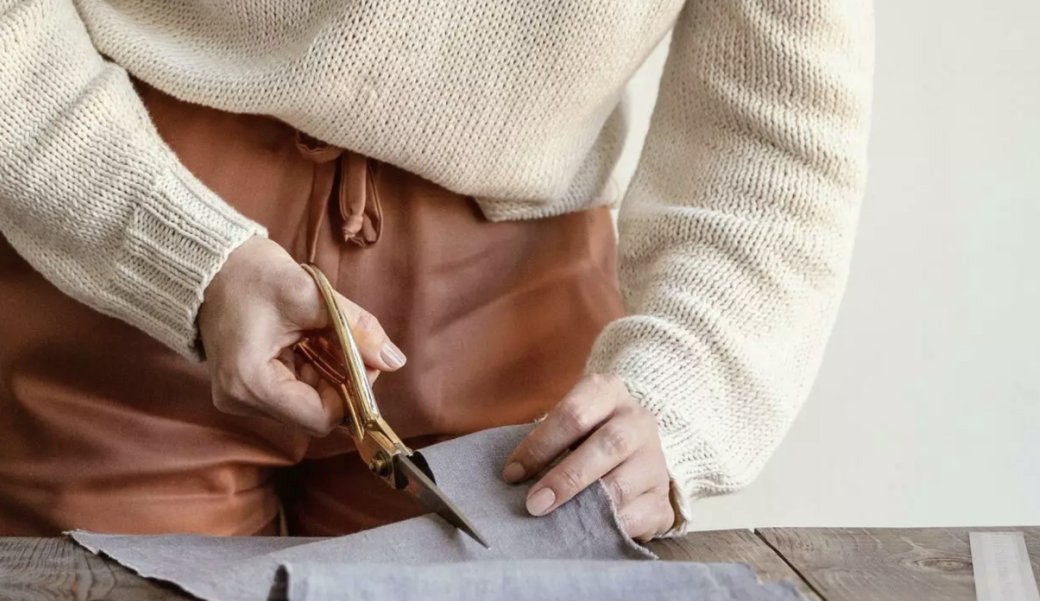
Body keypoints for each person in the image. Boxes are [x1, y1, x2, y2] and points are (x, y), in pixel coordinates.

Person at [0, 1, 874, 540]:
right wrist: (174, 250)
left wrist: (682, 396)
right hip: (115, 267)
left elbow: (777, 140)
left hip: (518, 342)